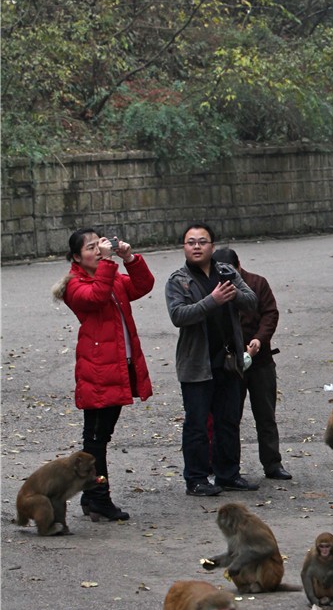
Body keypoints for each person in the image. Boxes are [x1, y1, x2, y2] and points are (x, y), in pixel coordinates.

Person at [53, 228, 154, 522]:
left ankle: (91, 495)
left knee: (101, 436)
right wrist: (110, 262)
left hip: (118, 366)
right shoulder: (75, 285)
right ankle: (98, 497)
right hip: (98, 371)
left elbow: (142, 285)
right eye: (90, 248)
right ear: (76, 257)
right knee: (95, 440)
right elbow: (95, 297)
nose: (98, 250)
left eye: (100, 244)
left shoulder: (109, 276)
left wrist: (130, 257)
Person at [165, 223, 261, 497]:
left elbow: (251, 300)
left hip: (228, 360)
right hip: (196, 364)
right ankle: (196, 479)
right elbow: (178, 316)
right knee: (196, 424)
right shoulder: (178, 280)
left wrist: (234, 296)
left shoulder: (226, 272)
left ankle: (228, 473)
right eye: (191, 242)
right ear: (184, 247)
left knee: (227, 420)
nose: (196, 246)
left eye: (202, 242)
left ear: (212, 246)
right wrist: (213, 300)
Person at [212, 247, 292, 481]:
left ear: (239, 266)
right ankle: (228, 468)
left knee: (265, 415)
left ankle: (272, 463)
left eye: (230, 270)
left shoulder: (257, 283)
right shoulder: (214, 287)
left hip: (260, 360)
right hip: (231, 362)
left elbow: (270, 313)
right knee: (228, 418)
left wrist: (258, 339)